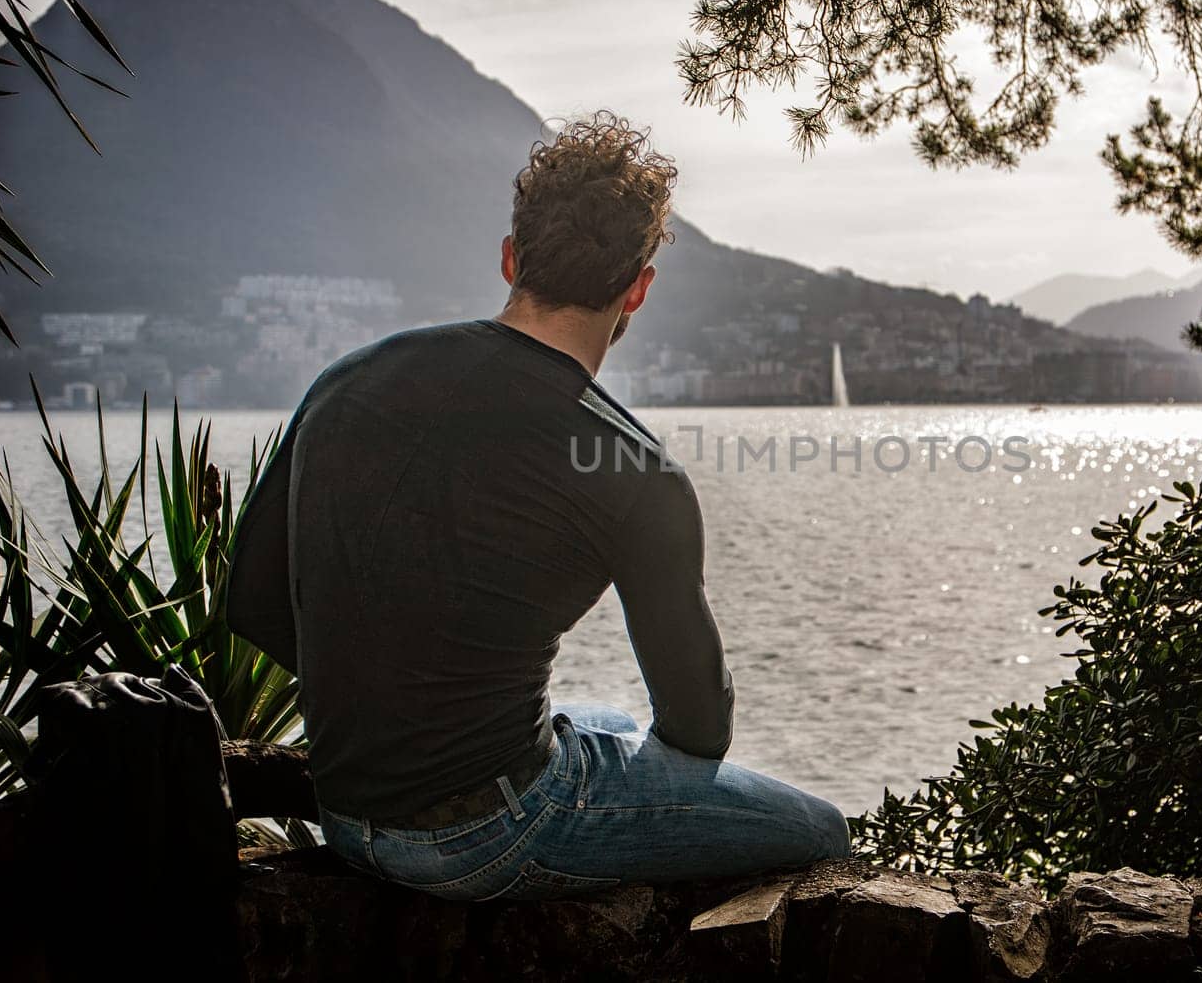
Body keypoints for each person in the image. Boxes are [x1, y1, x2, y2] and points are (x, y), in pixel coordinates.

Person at [225, 112, 850, 900]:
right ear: (639, 289)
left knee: (612, 724)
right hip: (486, 835)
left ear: (511, 258)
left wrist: (394, 710)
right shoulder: (634, 467)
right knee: (824, 831)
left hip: (345, 815)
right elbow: (698, 731)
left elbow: (251, 602)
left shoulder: (347, 380)